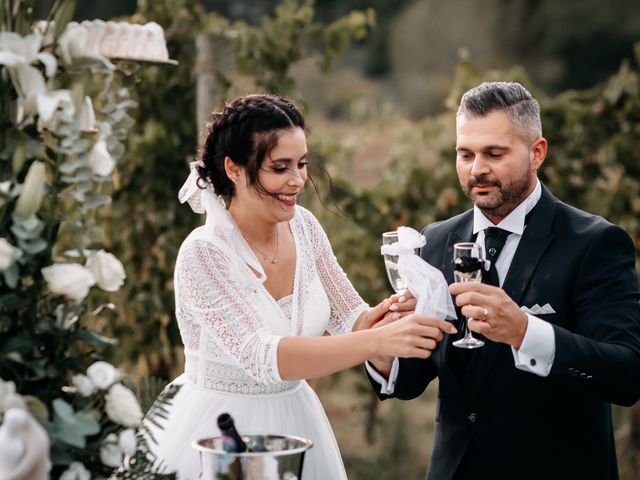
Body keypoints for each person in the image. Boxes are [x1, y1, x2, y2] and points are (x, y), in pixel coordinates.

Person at [143, 94, 452, 480]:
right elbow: (265, 358)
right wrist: (377, 343)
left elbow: (347, 315)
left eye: (302, 164)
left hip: (296, 421)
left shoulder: (304, 226)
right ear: (234, 169)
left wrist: (381, 320)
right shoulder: (203, 254)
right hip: (216, 431)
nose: (298, 180)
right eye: (280, 167)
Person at [367, 81, 640, 480]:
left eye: (494, 153)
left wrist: (525, 332)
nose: (477, 168)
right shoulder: (437, 239)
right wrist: (383, 351)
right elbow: (412, 378)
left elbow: (626, 374)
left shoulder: (595, 243)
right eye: (465, 154)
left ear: (537, 153)